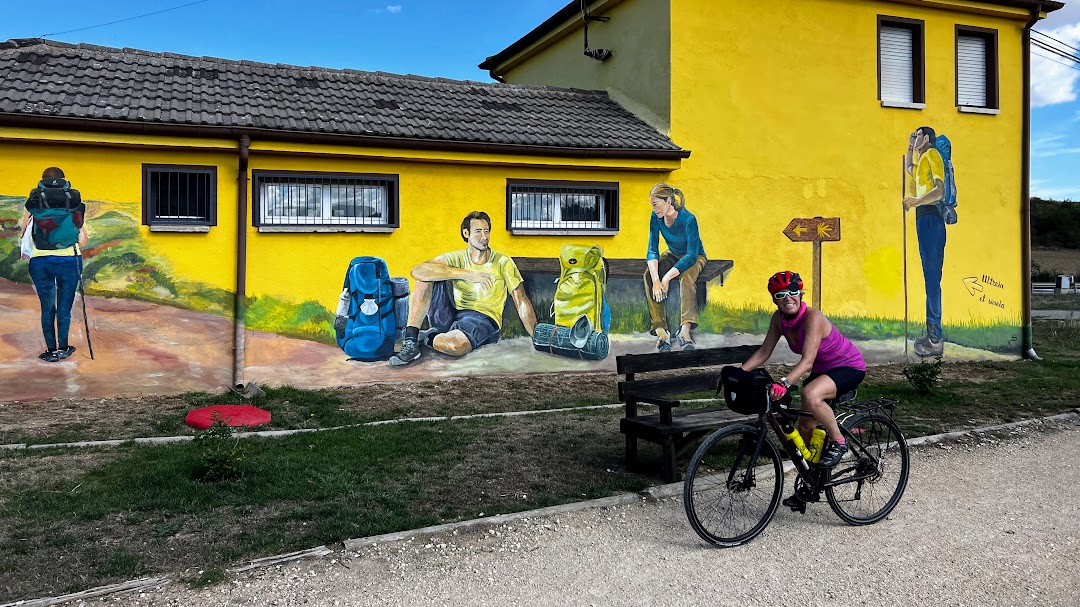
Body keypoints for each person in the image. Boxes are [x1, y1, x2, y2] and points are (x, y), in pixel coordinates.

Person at [739, 271, 866, 504]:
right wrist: (739, 373)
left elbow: (807, 361)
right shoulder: (778, 320)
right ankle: (812, 483)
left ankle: (839, 442)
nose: (788, 298)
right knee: (805, 426)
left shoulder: (812, 318)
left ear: (801, 293)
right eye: (780, 294)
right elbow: (764, 351)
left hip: (848, 366)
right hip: (823, 371)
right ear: (774, 299)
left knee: (811, 393)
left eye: (793, 292)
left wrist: (785, 383)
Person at [389, 211, 537, 366]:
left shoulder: (503, 262)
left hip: (483, 319)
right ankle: (411, 341)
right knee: (425, 276)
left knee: (455, 346)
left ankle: (427, 337)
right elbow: (417, 271)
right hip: (452, 315)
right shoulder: (458, 257)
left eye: (486, 231)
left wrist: (536, 336)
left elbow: (521, 300)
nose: (484, 237)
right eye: (478, 231)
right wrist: (467, 274)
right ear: (466, 233)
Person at [21, 167, 88, 363]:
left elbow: (24, 231)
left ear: (42, 181)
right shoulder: (73, 200)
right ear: (63, 180)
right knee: (64, 307)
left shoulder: (34, 202)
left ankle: (51, 351)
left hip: (40, 261)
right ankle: (64, 347)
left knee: (47, 307)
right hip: (69, 259)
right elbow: (84, 237)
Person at [644, 183, 707, 351]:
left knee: (686, 278)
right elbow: (652, 250)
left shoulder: (688, 219)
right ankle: (661, 330)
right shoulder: (655, 217)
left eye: (656, 204)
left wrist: (666, 278)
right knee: (649, 275)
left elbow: (691, 255)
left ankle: (685, 331)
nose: (654, 208)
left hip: (694, 256)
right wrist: (657, 279)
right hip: (672, 254)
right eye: (652, 204)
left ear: (669, 201)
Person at [904, 126, 946, 357]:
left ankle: (935, 339)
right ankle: (932, 335)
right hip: (923, 218)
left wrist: (916, 201)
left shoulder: (933, 155)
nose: (916, 138)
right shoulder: (922, 161)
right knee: (928, 276)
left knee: (932, 278)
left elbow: (939, 191)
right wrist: (910, 147)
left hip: (932, 218)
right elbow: (909, 168)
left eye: (918, 135)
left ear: (927, 137)